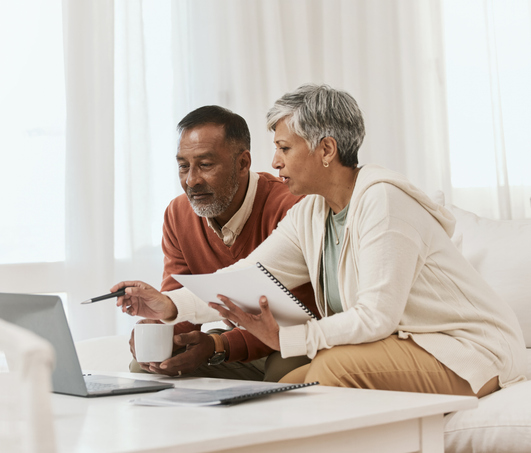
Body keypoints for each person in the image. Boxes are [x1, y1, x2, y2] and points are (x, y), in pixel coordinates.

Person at [114, 84, 526, 396]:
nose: (273, 162)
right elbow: (249, 275)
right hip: (404, 346)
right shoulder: (312, 212)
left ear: (326, 149)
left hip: (466, 350)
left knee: (328, 372)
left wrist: (290, 339)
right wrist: (169, 304)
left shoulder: (384, 201)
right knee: (277, 395)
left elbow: (375, 317)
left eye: (284, 147)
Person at [128, 105, 317, 381]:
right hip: (232, 341)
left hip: (290, 339)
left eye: (205, 165)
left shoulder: (291, 206)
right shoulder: (178, 214)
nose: (191, 180)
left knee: (283, 370)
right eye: (183, 166)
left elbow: (302, 315)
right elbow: (178, 296)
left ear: (243, 163)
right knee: (148, 367)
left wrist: (220, 346)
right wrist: (162, 332)